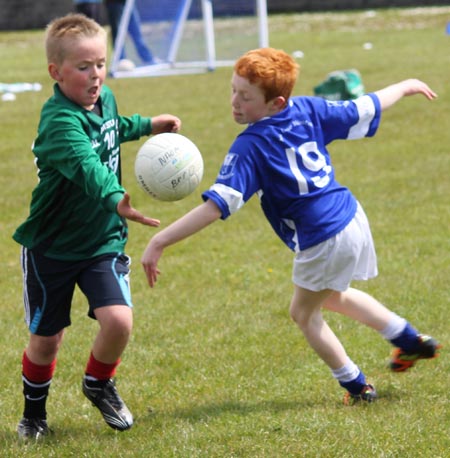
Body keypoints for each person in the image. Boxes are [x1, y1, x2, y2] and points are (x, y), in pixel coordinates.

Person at [141, 47, 441, 405]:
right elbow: (367, 105)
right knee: (332, 295)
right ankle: (407, 339)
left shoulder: (250, 145)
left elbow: (215, 208)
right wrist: (405, 85)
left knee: (303, 313)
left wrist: (160, 240)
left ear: (276, 103)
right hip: (351, 216)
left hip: (322, 235)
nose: (235, 102)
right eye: (233, 90)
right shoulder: (309, 108)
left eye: (246, 96)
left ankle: (357, 387)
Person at [13, 13, 181, 440]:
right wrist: (114, 198)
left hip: (102, 240)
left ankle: (98, 382)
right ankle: (34, 416)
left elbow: (110, 130)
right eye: (83, 67)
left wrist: (146, 126)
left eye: (101, 64)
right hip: (51, 247)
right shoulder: (58, 123)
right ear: (56, 71)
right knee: (48, 340)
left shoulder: (104, 98)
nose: (96, 75)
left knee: (119, 322)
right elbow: (87, 165)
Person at [104, 0, 156, 68]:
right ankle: (121, 61)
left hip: (129, 4)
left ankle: (148, 59)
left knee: (137, 33)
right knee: (118, 35)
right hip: (114, 4)